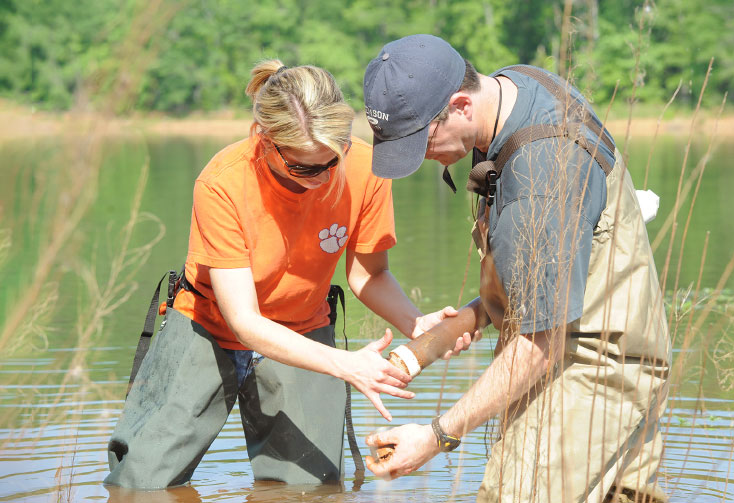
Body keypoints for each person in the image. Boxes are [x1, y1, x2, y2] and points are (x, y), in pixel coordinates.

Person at [104, 59, 474, 489]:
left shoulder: (366, 168)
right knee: (140, 485)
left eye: (330, 163)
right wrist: (346, 365)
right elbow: (244, 322)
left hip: (305, 327)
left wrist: (417, 323)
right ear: (264, 140)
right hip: (208, 328)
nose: (320, 180)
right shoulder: (223, 184)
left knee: (309, 489)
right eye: (302, 168)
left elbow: (368, 277)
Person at [362, 34, 672, 503]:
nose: (421, 159)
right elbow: (544, 278)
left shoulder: (540, 176)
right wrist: (468, 319)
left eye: (420, 142)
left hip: (589, 373)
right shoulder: (516, 86)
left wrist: (436, 436)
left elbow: (539, 345)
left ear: (461, 104)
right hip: (592, 357)